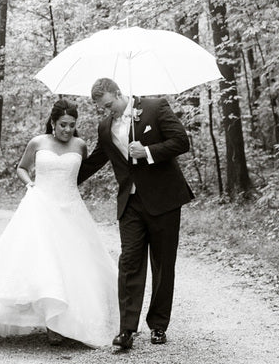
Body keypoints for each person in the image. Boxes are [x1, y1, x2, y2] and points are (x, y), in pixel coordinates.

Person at [0, 99, 119, 348]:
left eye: (71, 125)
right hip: (40, 206)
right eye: (63, 125)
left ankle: (69, 321)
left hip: (70, 209)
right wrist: (29, 183)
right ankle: (51, 323)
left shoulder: (80, 145)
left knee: (73, 265)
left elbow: (79, 174)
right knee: (45, 263)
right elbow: (22, 168)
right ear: (53, 123)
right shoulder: (38, 142)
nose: (67, 130)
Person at [77, 78, 193, 349]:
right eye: (103, 108)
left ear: (119, 93)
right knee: (129, 261)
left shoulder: (155, 107)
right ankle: (127, 329)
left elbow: (180, 142)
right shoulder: (105, 126)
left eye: (110, 104)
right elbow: (96, 159)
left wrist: (148, 151)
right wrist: (63, 176)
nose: (108, 111)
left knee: (162, 265)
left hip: (164, 200)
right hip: (130, 203)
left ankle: (159, 326)